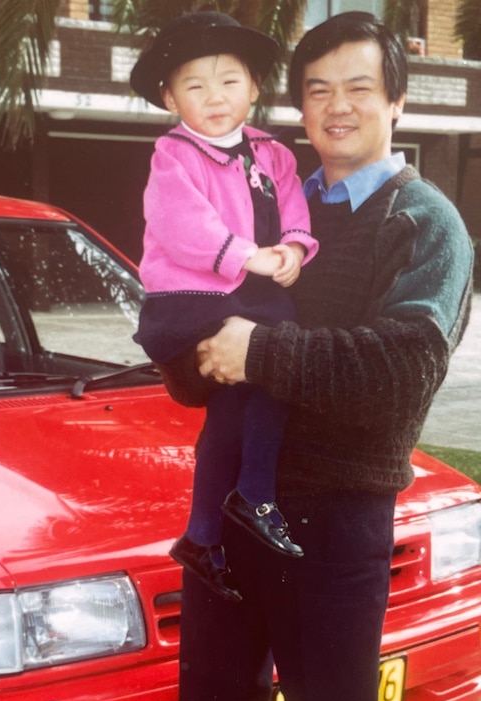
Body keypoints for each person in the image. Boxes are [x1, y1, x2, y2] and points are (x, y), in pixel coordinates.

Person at [174, 12, 474, 701]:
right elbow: (200, 331)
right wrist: (191, 351)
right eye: (317, 90)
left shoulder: (424, 225)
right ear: (298, 107)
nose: (337, 107)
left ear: (397, 102)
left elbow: (403, 368)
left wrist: (258, 351)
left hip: (335, 525)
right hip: (231, 518)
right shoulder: (269, 201)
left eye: (358, 88)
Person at [129, 12, 319, 602]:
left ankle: (203, 531)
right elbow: (183, 226)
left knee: (239, 401)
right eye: (194, 85)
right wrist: (247, 255)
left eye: (229, 81)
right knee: (276, 347)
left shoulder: (273, 153)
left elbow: (294, 211)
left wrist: (293, 248)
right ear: (169, 98)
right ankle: (255, 493)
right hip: (189, 296)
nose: (214, 97)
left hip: (248, 289)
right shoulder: (175, 156)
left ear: (255, 88)